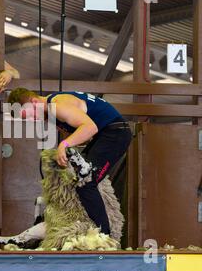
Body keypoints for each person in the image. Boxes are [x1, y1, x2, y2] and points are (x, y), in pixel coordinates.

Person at [7, 88, 132, 236]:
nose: (31, 120)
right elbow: (78, 133)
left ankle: (104, 237)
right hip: (103, 135)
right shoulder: (51, 112)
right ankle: (83, 229)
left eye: (28, 115)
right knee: (74, 180)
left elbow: (89, 127)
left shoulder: (57, 105)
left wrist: (64, 145)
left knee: (85, 182)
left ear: (34, 102)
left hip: (115, 133)